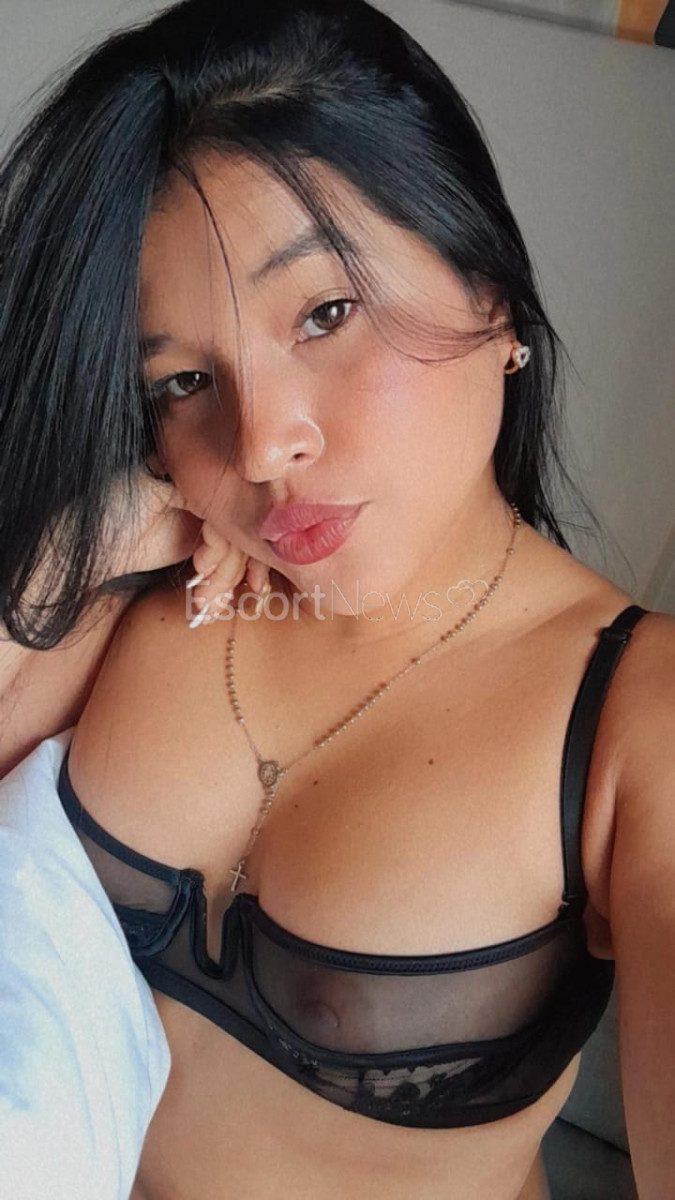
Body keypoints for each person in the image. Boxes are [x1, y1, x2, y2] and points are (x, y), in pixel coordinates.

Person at [1, 2, 673, 1198]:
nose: (262, 447)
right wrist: (68, 556)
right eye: (183, 380)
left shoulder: (634, 713)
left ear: (489, 289)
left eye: (324, 313)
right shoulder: (132, 592)